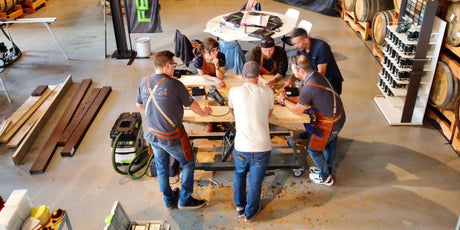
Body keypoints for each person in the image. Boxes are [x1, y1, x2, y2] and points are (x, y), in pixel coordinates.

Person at [136, 50, 212, 209]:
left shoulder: (145, 81)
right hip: (170, 137)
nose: (174, 68)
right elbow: (194, 106)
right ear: (167, 66)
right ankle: (185, 200)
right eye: (173, 65)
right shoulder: (175, 85)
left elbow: (140, 105)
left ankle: (169, 200)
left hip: (152, 134)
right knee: (189, 162)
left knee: (162, 167)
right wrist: (205, 113)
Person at [277, 55, 345, 186]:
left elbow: (298, 110)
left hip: (331, 123)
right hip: (338, 116)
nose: (293, 73)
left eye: (294, 71)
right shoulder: (316, 76)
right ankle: (325, 169)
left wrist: (284, 101)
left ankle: (325, 177)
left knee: (314, 149)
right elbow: (305, 99)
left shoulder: (309, 87)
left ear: (301, 71)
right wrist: (288, 100)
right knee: (330, 144)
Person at [227, 61, 274, 221]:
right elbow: (268, 115)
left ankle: (239, 206)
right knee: (255, 181)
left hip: (241, 145)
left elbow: (231, 109)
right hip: (262, 146)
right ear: (259, 77)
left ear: (242, 76)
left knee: (239, 174)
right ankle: (250, 212)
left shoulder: (233, 91)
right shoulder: (268, 92)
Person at [287, 28, 344, 95]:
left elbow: (321, 72)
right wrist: (290, 81)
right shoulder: (300, 48)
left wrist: (306, 83)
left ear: (306, 40)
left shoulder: (321, 47)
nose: (295, 47)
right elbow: (299, 68)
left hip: (330, 82)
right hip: (314, 80)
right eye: (294, 44)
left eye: (297, 43)